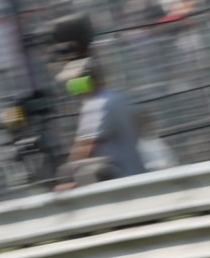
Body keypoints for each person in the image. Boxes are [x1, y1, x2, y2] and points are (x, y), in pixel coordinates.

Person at [55, 57, 145, 190]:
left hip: (116, 181)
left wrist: (67, 178)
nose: (70, 86)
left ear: (86, 80)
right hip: (135, 173)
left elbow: (86, 146)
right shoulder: (118, 98)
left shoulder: (97, 104)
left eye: (73, 81)